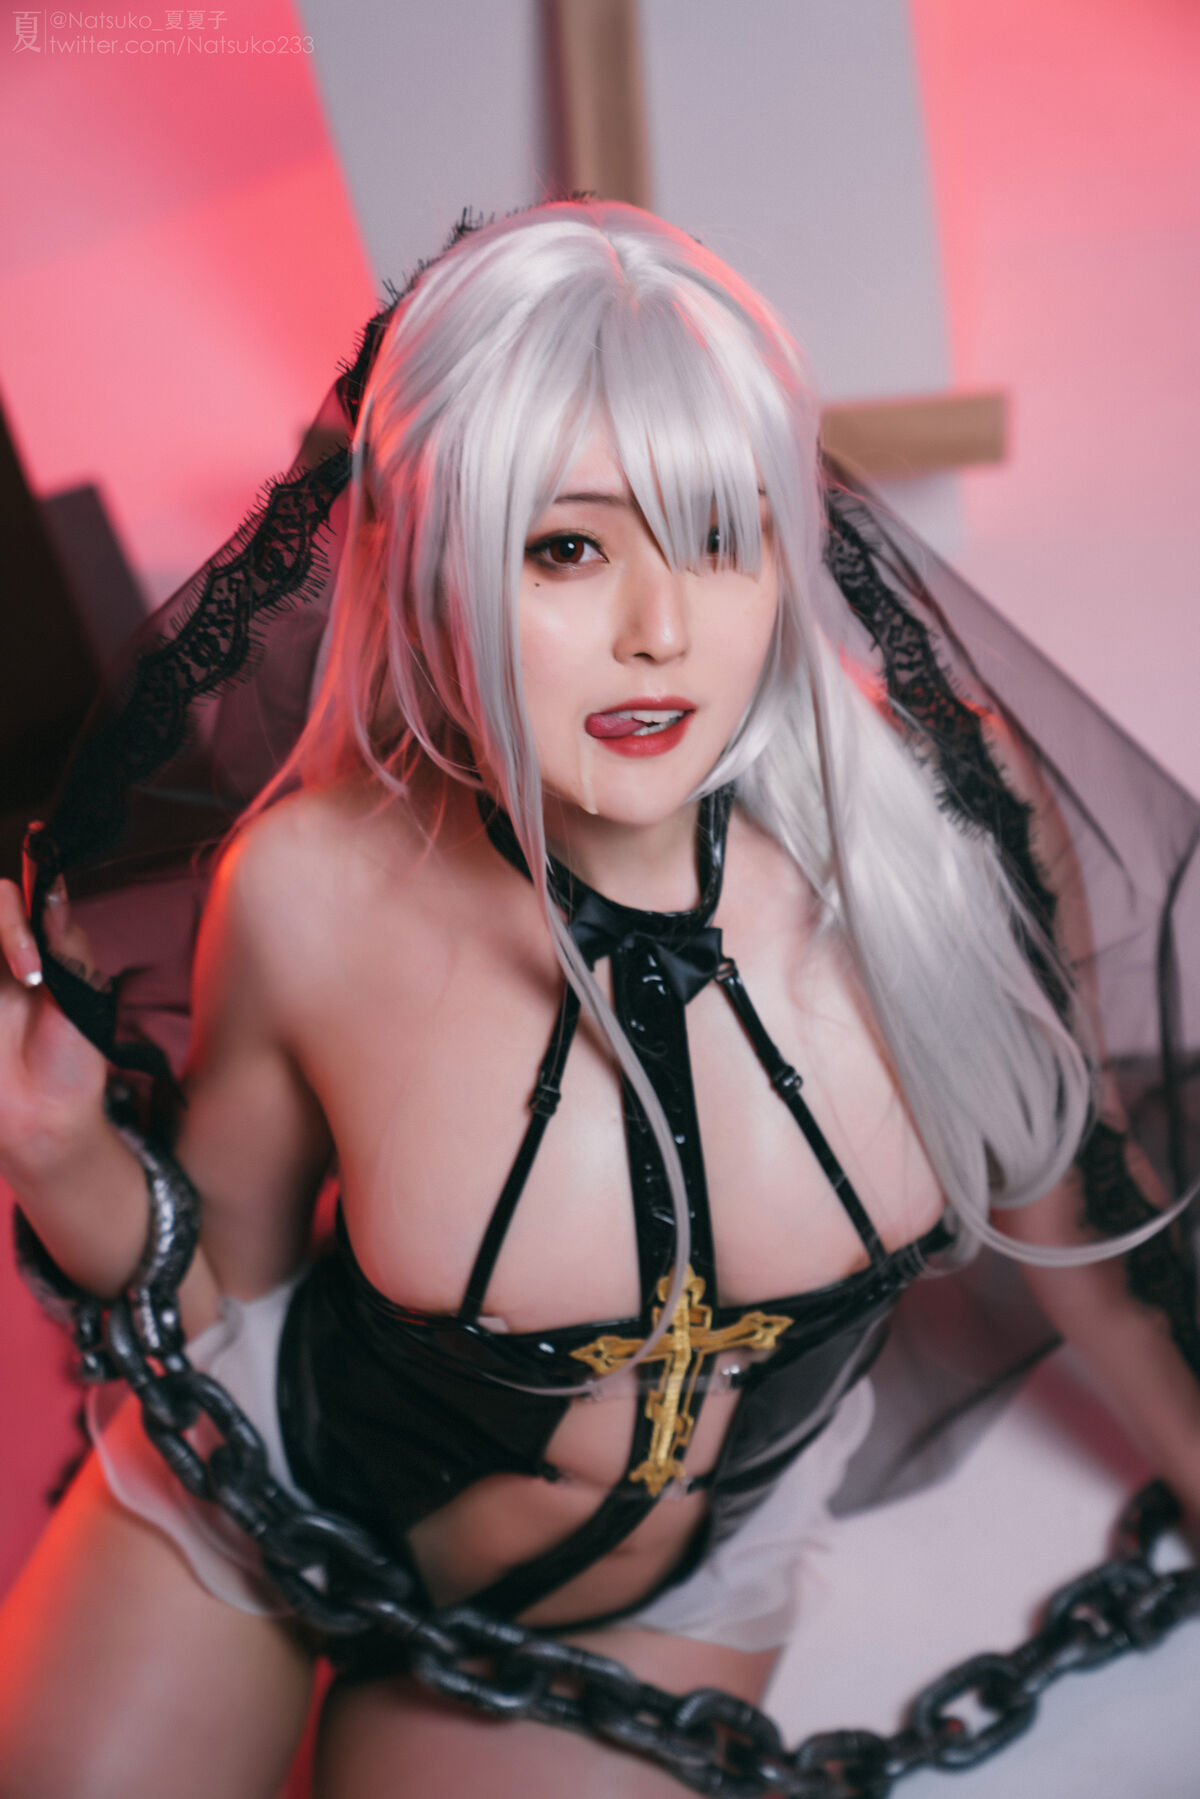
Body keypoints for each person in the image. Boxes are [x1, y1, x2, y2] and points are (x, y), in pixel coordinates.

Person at [0, 201, 1196, 1799]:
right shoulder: (310, 890)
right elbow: (224, 1297)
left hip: (657, 1612)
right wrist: (57, 1156)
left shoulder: (944, 829)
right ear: (425, 567)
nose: (660, 633)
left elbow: (1089, 1227)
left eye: (717, 534)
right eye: (566, 548)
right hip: (270, 1492)